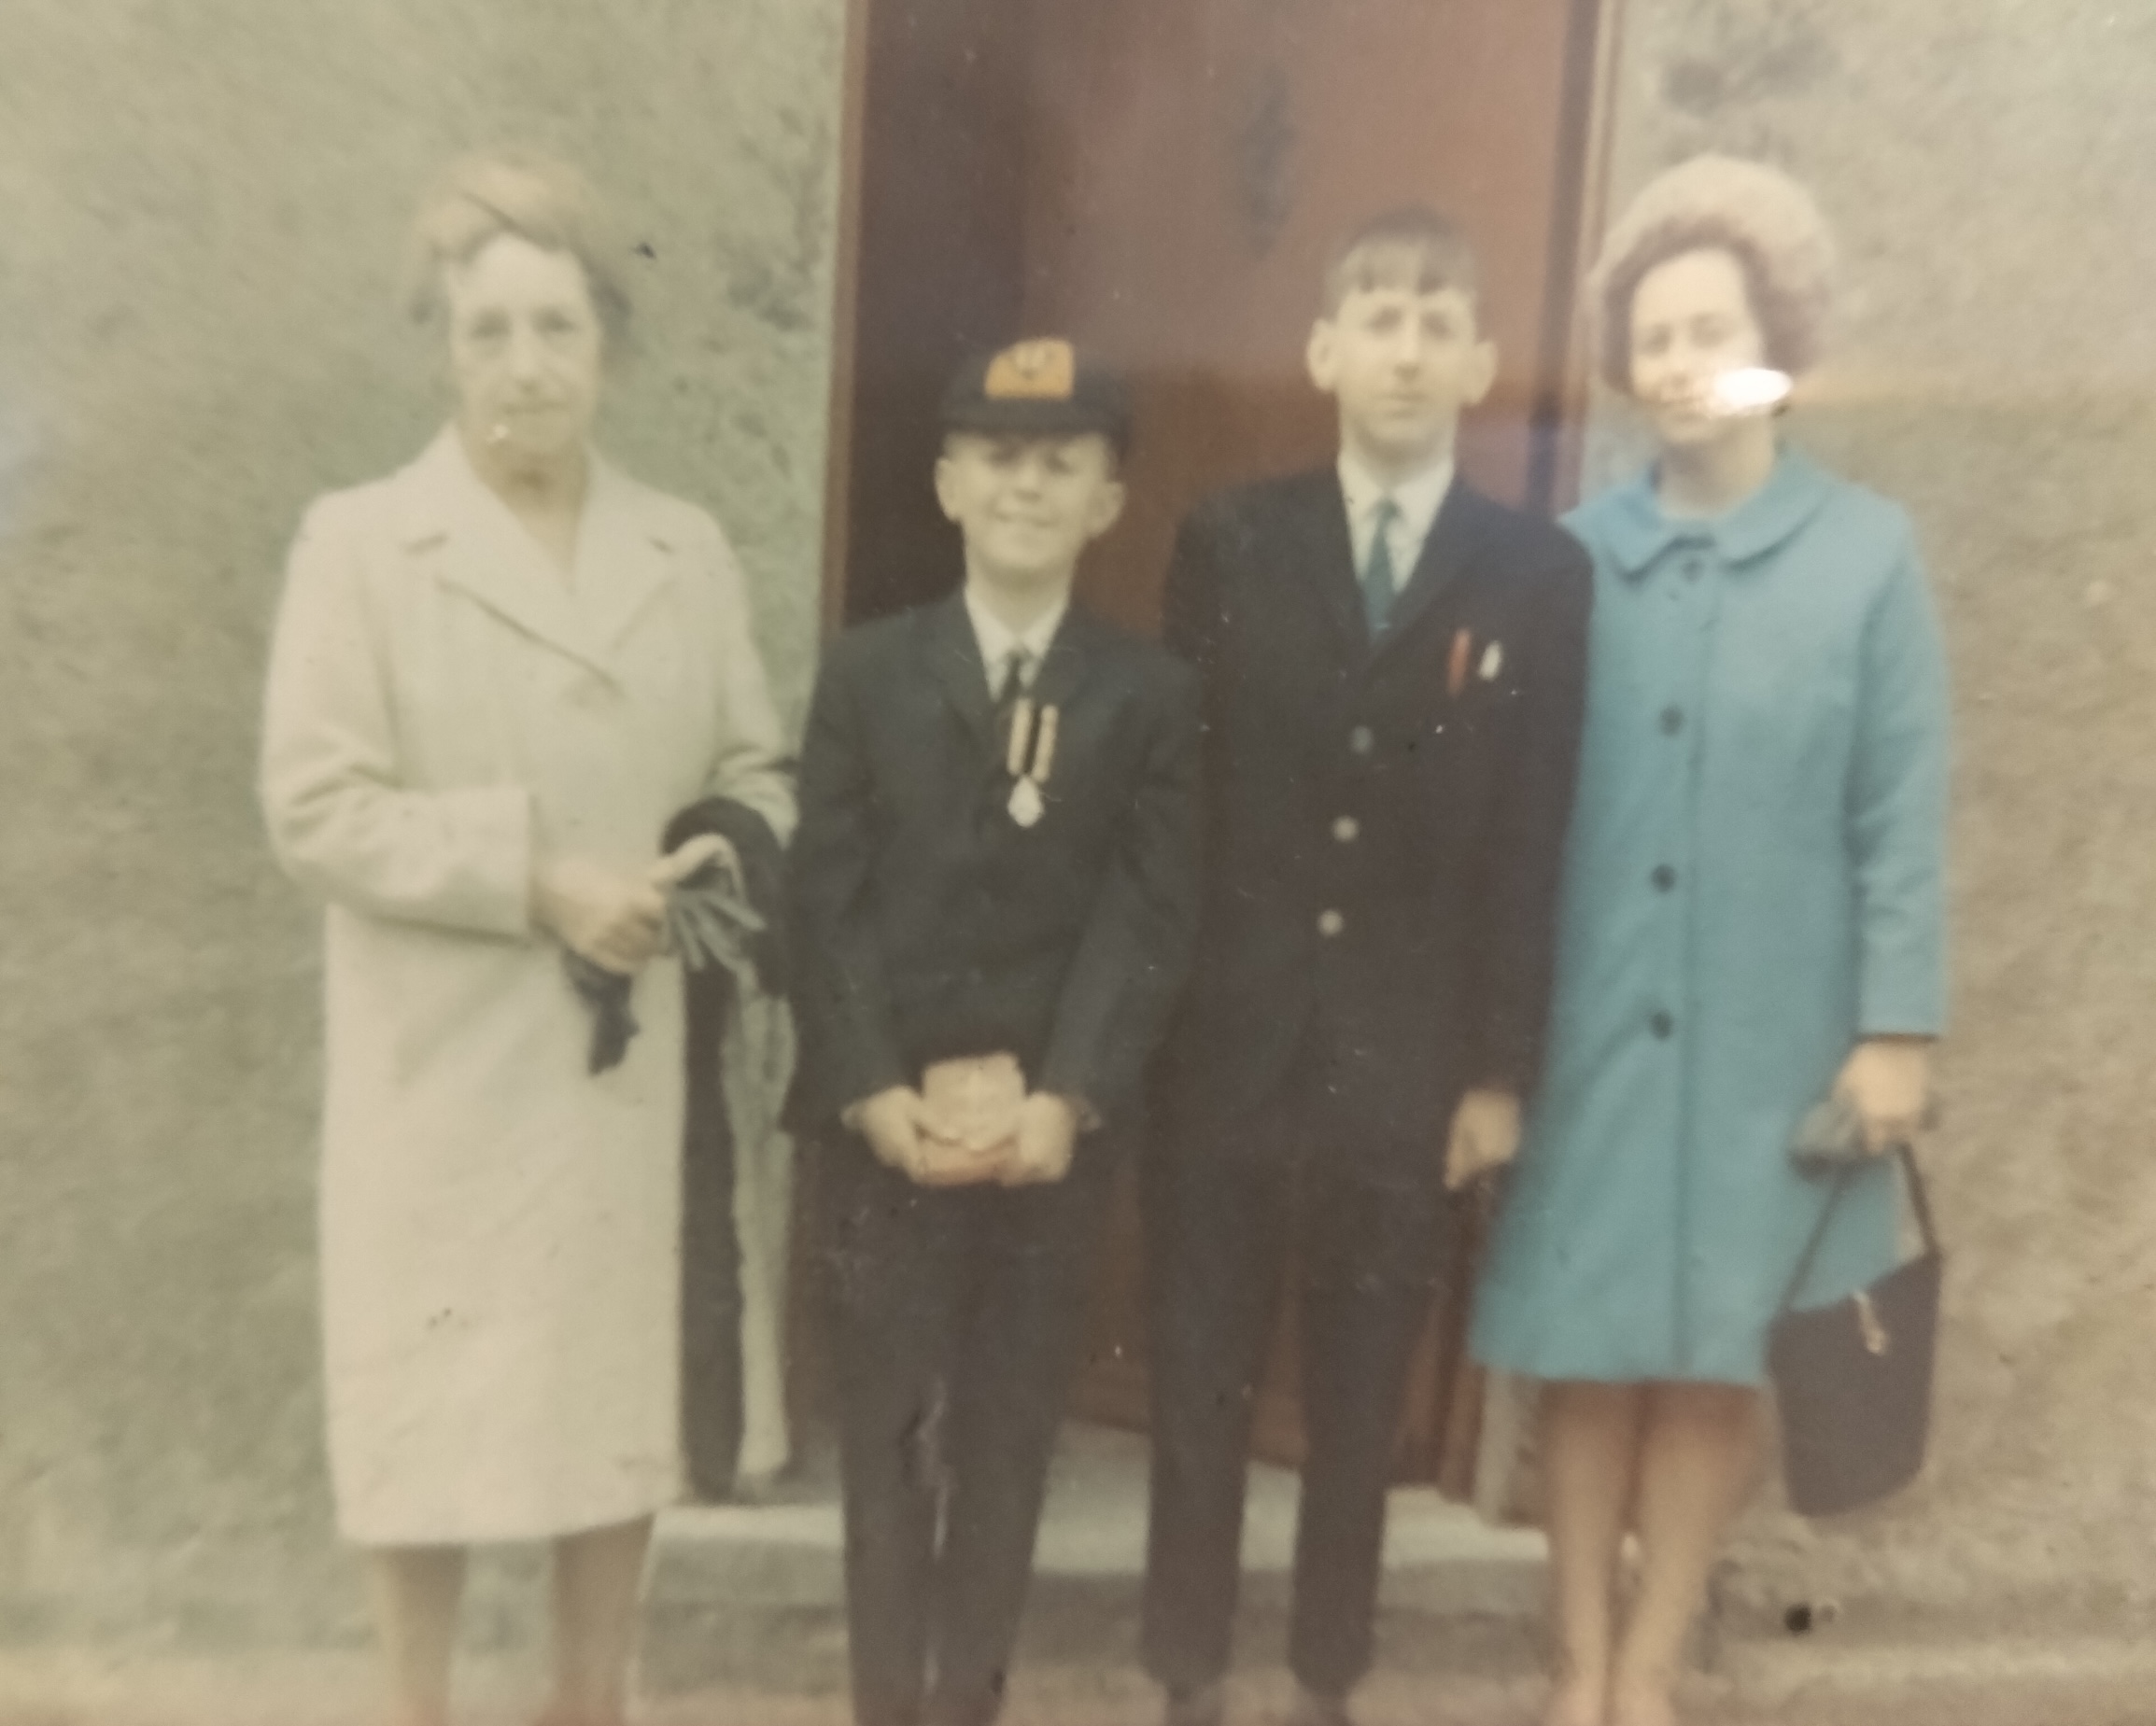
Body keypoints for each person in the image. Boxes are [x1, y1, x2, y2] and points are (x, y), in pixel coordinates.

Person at [259, 150, 795, 1726]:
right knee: (422, 1415)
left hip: (613, 1066)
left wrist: (695, 868)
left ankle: (586, 1700)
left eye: (556, 328)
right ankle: (411, 1705)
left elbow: (752, 769)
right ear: (444, 349)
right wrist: (540, 876)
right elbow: (316, 806)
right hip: (438, 1062)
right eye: (486, 332)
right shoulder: (361, 545)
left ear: (604, 351)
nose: (524, 366)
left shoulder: (680, 550)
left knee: (604, 1406)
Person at [1470, 154, 1951, 1726]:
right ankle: (1576, 1668)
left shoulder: (1865, 555)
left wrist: (1894, 1031)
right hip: (1591, 1017)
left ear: (1778, 347)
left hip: (1774, 1031)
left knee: (1711, 1360)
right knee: (1584, 1350)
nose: (1679, 365)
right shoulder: (1569, 555)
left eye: (1712, 330)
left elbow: (1897, 807)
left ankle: (1655, 1665)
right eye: (1653, 336)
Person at [1143, 207, 1594, 1726]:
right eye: (1376, 315)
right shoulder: (1231, 537)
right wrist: (1162, 1022)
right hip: (1229, 1043)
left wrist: (1494, 1071)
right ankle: (1187, 1674)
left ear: (1478, 362)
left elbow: (1531, 838)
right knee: (1199, 1386)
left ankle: (1327, 1678)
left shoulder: (1533, 575)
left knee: (1356, 1405)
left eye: (1434, 319)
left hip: (1400, 1068)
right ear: (1324, 350)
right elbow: (1179, 802)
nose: (1404, 345)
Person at [788, 338, 1200, 1726]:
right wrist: (867, 1088)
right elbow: (825, 899)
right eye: (1000, 460)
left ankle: (967, 1705)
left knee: (1010, 1438)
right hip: (885, 1137)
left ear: (1106, 500)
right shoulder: (866, 674)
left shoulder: (1146, 696)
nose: (1027, 488)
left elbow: (1145, 912)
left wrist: (1068, 1094)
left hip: (1041, 1145)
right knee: (889, 1441)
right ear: (949, 483)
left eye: (1061, 465)